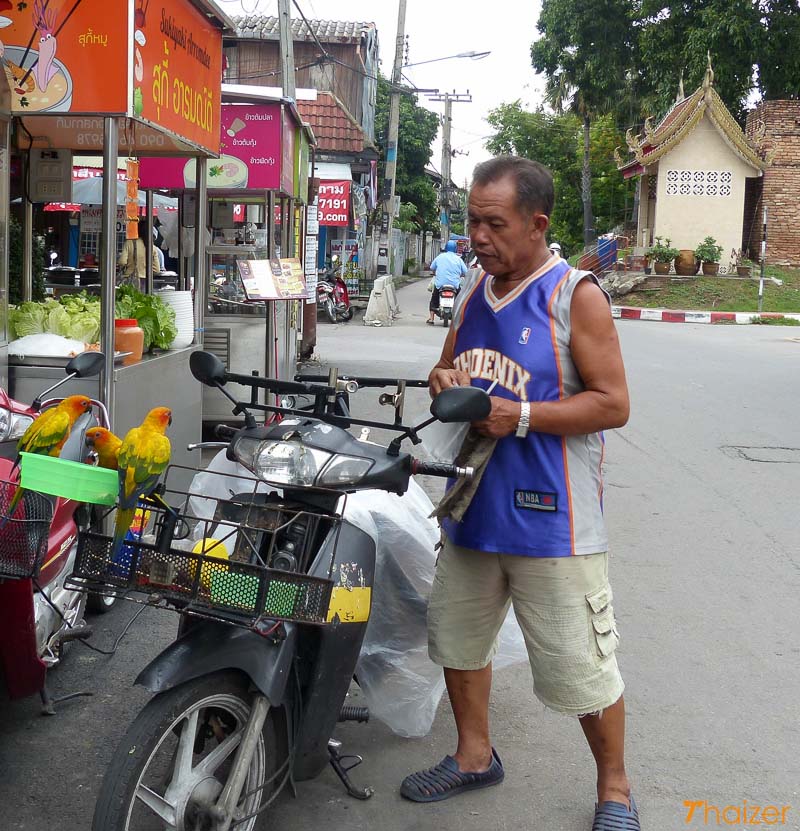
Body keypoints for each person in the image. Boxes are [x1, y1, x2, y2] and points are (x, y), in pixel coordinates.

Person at [401, 156, 637, 830]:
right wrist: (443, 382)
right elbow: (443, 367)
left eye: (493, 223)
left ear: (537, 224)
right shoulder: (475, 287)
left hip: (554, 522)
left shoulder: (574, 294)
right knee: (459, 641)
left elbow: (613, 403)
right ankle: (474, 755)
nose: (477, 234)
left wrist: (522, 416)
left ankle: (615, 789)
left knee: (583, 668)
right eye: (473, 220)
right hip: (473, 507)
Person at [427, 239, 467, 324]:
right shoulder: (458, 259)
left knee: (434, 300)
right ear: (455, 249)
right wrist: (461, 275)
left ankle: (431, 318)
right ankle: (461, 319)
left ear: (445, 248)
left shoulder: (440, 257)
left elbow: (432, 267)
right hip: (454, 285)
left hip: (440, 285)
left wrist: (435, 273)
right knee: (460, 300)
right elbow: (465, 271)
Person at [117, 221, 161, 286]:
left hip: (130, 278)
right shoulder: (152, 247)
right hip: (146, 281)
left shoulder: (129, 243)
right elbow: (157, 270)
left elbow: (122, 262)